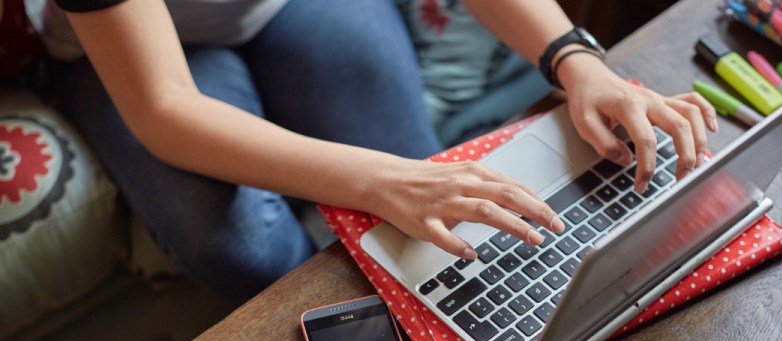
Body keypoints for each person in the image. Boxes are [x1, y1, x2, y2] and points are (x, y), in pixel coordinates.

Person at [28, 0, 717, 302]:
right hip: (128, 55)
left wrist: (576, 60)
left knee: (432, 226)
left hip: (291, 6)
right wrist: (381, 182)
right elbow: (166, 107)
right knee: (241, 248)